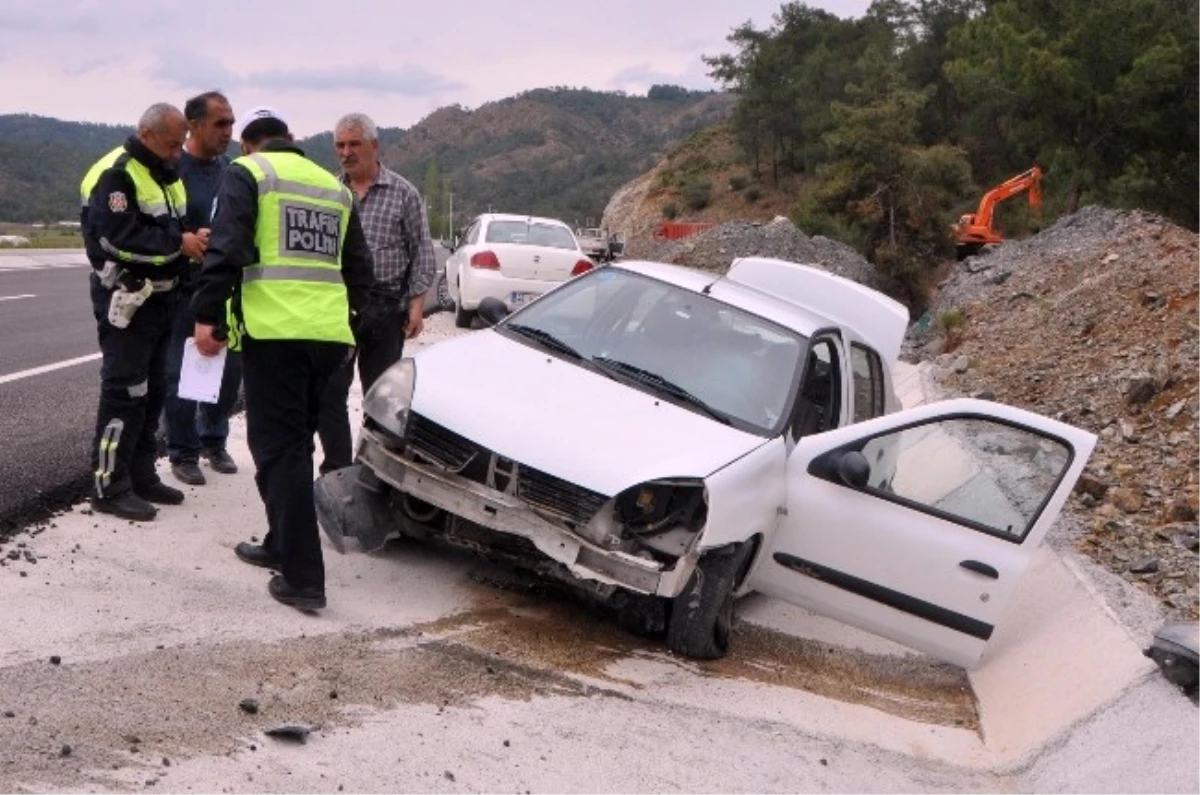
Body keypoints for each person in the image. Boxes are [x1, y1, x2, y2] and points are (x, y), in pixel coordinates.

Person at [191, 107, 375, 610]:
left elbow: (226, 249)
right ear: (290, 140)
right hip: (331, 337)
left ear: (250, 144)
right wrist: (350, 329)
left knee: (282, 451)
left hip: (276, 336)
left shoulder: (248, 174)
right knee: (290, 447)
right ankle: (280, 542)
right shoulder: (332, 186)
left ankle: (302, 577)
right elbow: (360, 269)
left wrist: (207, 314)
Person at [82, 102, 206, 521]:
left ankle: (140, 473)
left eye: (180, 145)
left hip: (162, 300)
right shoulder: (117, 173)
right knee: (124, 393)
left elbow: (171, 225)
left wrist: (191, 239)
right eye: (172, 145)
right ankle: (108, 486)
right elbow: (116, 239)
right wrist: (179, 244)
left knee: (152, 391)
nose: (178, 153)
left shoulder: (164, 173)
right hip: (127, 301)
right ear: (148, 135)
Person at [316, 112, 436, 474]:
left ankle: (372, 470)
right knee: (330, 392)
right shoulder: (330, 193)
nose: (346, 152)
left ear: (373, 146)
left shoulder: (404, 193)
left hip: (386, 310)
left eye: (354, 144)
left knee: (381, 397)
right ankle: (337, 469)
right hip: (339, 307)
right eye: (340, 145)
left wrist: (415, 307)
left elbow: (422, 254)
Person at [163, 90, 244, 486]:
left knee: (228, 376)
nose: (229, 130)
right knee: (182, 373)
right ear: (194, 126)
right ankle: (182, 451)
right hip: (183, 289)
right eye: (220, 123)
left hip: (226, 289)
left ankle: (215, 440)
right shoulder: (173, 170)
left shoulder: (232, 171)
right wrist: (185, 240)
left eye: (231, 122)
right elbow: (156, 221)